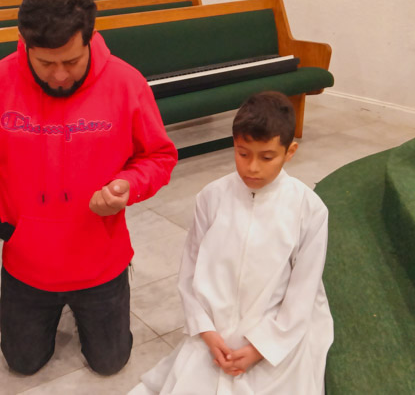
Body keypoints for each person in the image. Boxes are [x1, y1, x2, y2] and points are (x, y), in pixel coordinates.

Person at [0, 0, 178, 376]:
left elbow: (159, 156)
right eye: (46, 63)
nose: (60, 75)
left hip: (100, 259)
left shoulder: (126, 82)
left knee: (110, 363)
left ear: (89, 39)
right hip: (27, 261)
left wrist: (128, 185)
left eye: (72, 61)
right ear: (25, 43)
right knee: (22, 363)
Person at [130, 91, 333, 394]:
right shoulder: (212, 197)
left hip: (275, 327)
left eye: (267, 157)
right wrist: (206, 331)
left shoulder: (310, 209)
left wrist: (260, 348)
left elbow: (304, 290)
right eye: (243, 153)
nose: (252, 167)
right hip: (217, 326)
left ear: (290, 152)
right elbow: (190, 271)